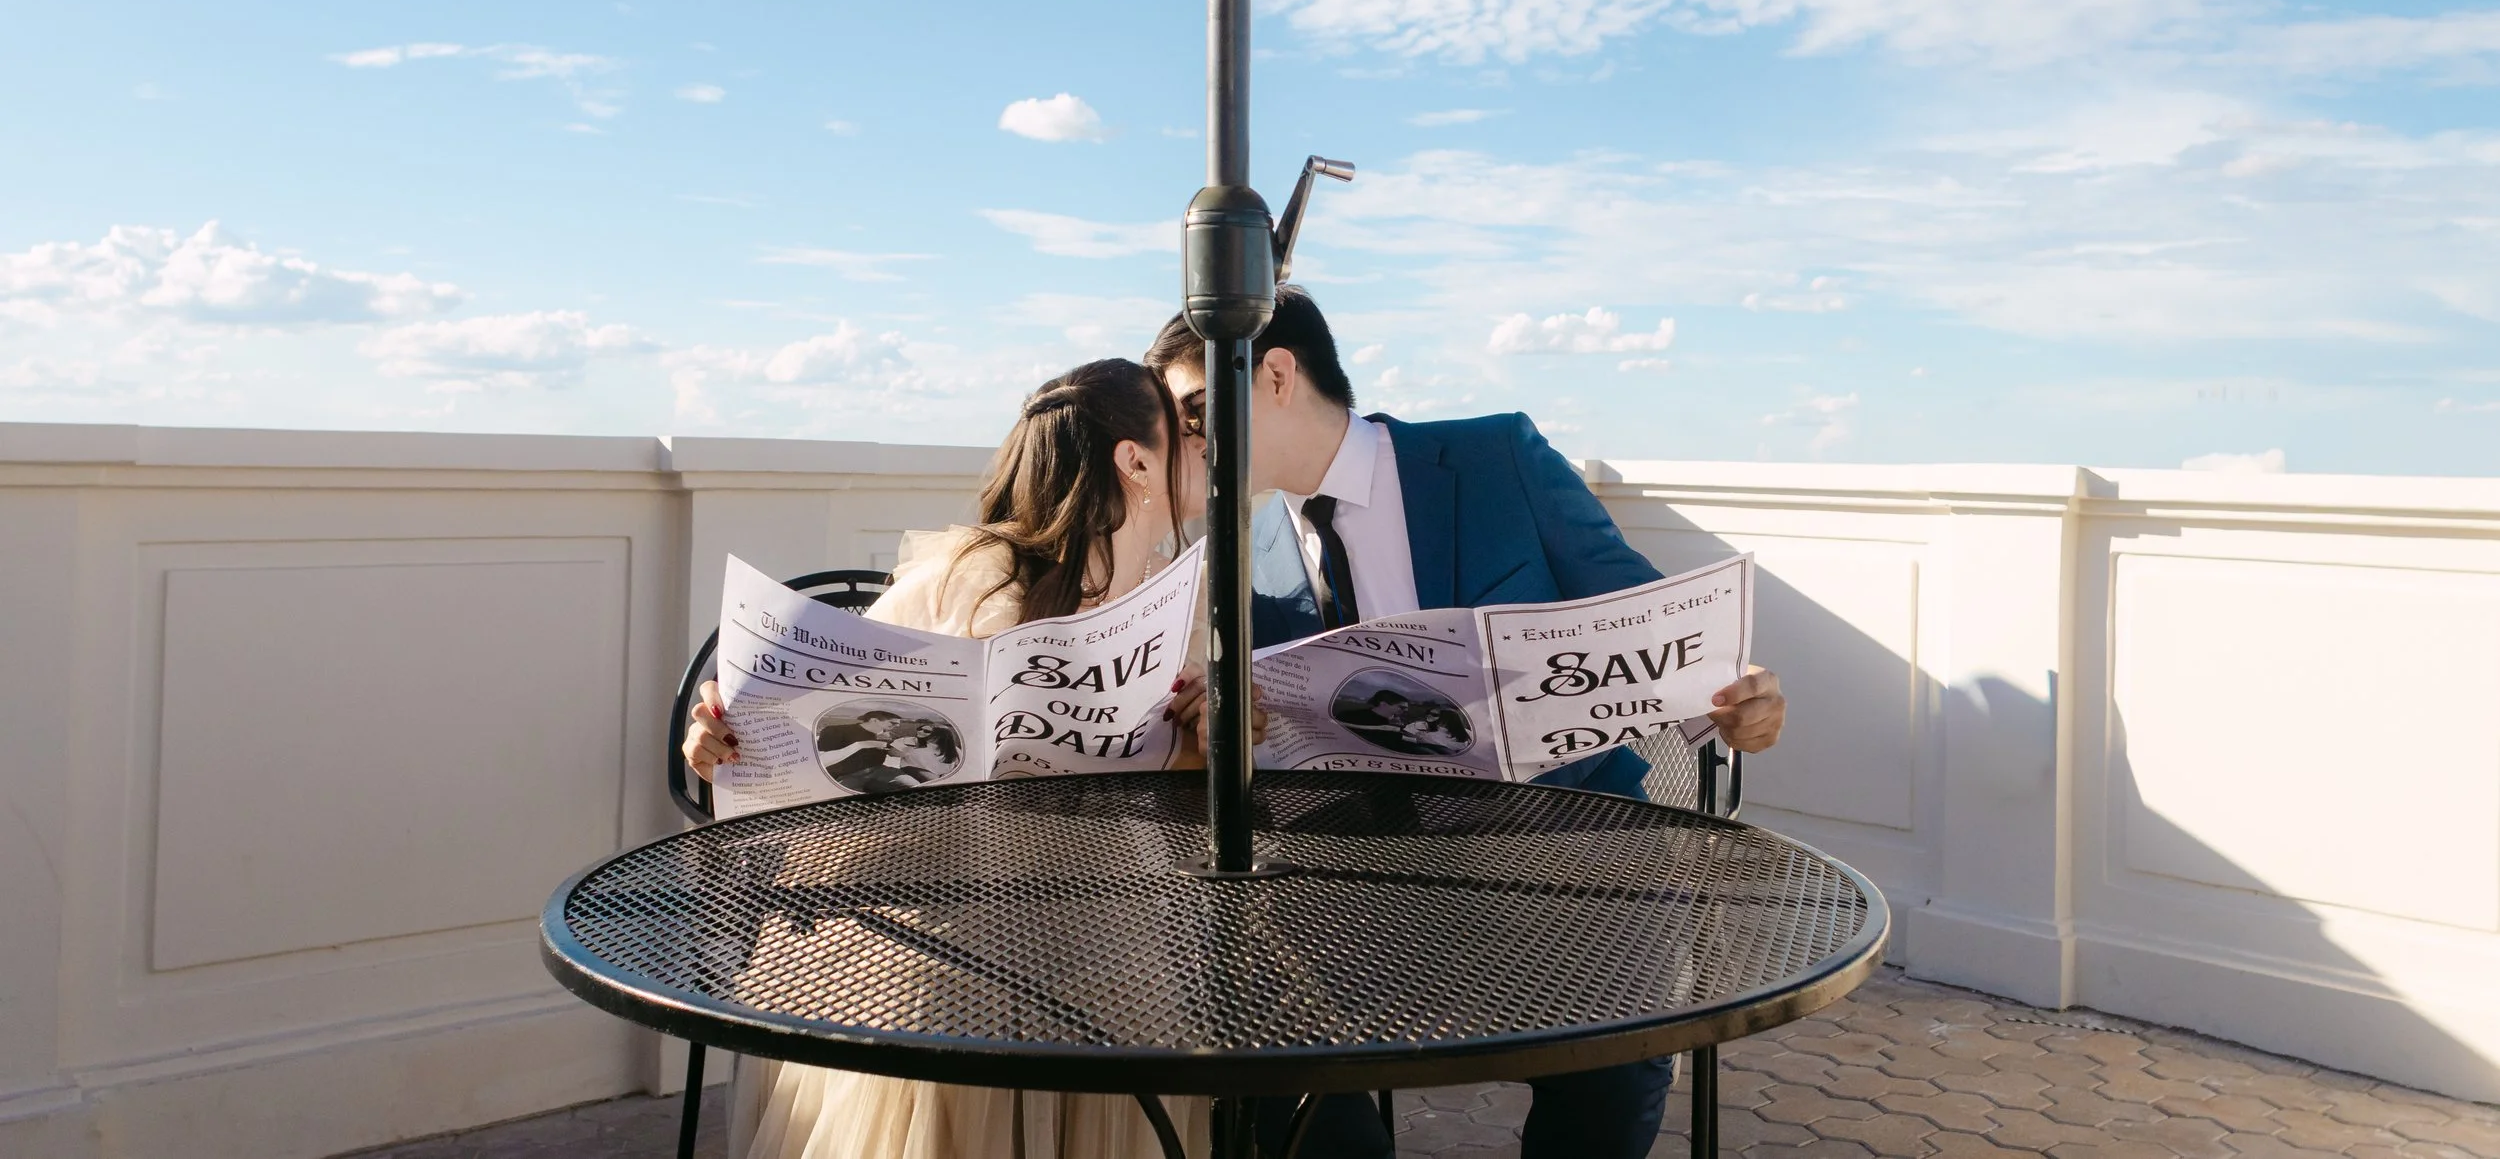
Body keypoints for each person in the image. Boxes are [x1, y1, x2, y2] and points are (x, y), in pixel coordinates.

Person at [1149, 287, 1787, 1159]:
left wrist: (1736, 709)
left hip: (1571, 864)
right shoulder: (1250, 552)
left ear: (1277, 375)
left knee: (1615, 1072)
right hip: (1370, 886)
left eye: (1197, 411)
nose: (1191, 441)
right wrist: (1235, 718)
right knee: (1254, 1040)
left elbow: (1657, 634)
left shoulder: (1497, 459)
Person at [680, 357, 1214, 1159]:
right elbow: (807, 726)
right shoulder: (966, 581)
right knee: (945, 993)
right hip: (946, 908)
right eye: (1187, 432)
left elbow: (1183, 801)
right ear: (1135, 462)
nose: (1204, 447)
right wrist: (721, 735)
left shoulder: (1181, 598)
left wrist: (1207, 740)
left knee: (1126, 982)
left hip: (1109, 912)